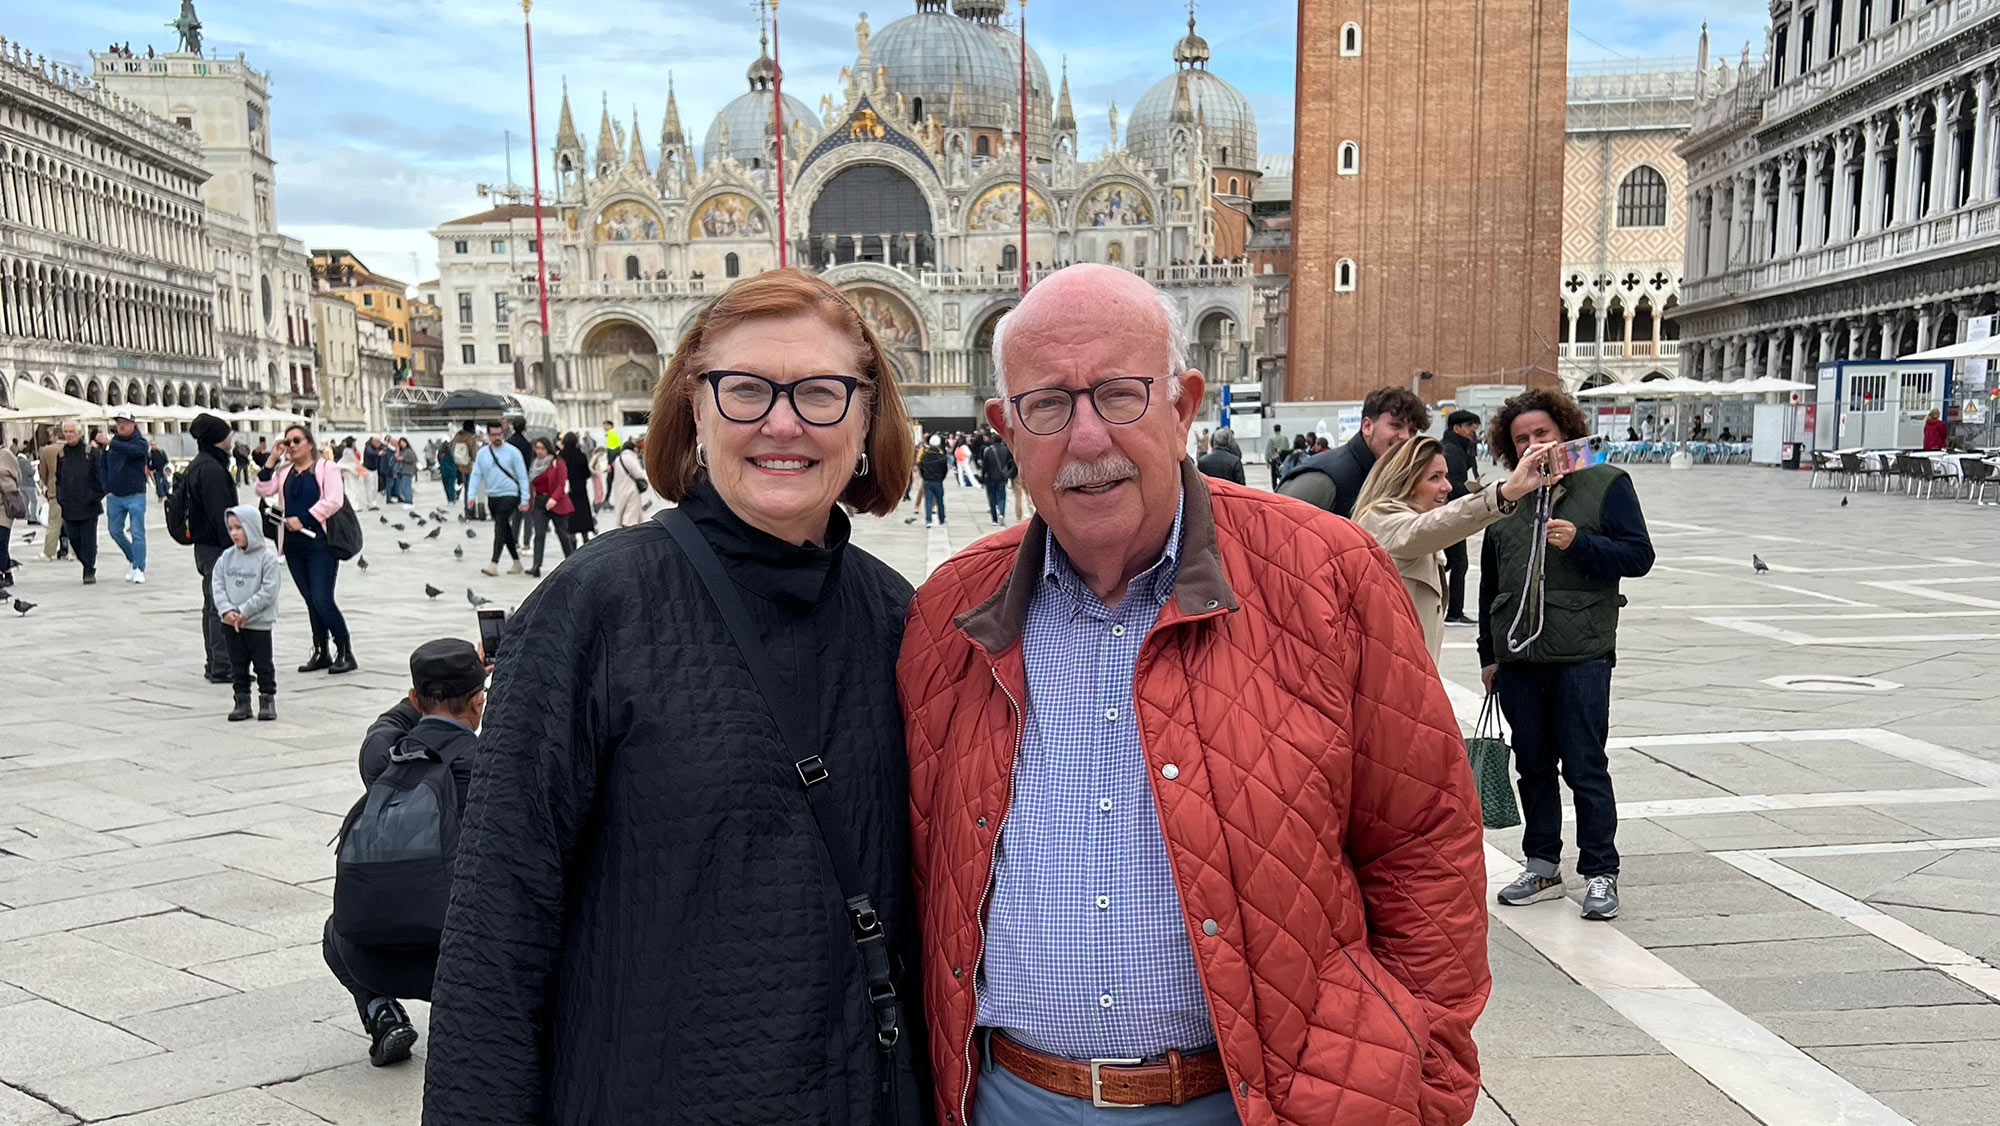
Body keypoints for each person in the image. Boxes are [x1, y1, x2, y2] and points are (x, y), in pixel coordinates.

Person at [899, 265, 1489, 1125]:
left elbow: (1425, 846)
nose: (1089, 438)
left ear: (1183, 404)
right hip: (1011, 1101)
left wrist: (1420, 1078)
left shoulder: (1328, 574)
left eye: (1120, 394)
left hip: (1259, 1102)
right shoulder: (949, 612)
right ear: (1005, 429)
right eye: (1049, 406)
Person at [424, 268, 926, 1126]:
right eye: (745, 390)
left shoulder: (899, 619)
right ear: (693, 406)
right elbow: (497, 927)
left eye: (819, 392)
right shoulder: (593, 607)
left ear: (867, 413)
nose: (782, 421)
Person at [1479, 389, 1655, 922]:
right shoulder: (1507, 497)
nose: (1534, 445)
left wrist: (1579, 542)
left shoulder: (1605, 482)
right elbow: (1490, 583)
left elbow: (1639, 556)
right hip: (1519, 655)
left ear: (1565, 433)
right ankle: (1542, 864)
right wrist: (1489, 655)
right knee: (1532, 766)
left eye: (1542, 434)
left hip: (1582, 651)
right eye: (1521, 439)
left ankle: (1601, 871)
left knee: (1585, 766)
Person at [326, 638, 486, 1068]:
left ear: (416, 698)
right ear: (479, 702)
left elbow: (385, 724)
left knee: (333, 931)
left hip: (372, 960)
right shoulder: (488, 765)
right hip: (467, 969)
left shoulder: (386, 757)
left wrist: (424, 694)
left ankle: (382, 1012)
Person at [1353, 435, 1557, 662]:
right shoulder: (1380, 520)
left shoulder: (1403, 520)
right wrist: (1503, 493)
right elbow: (1433, 526)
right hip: (1391, 680)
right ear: (1405, 482)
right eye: (1434, 478)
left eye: (1446, 476)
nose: (1447, 486)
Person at [256, 424, 357, 675]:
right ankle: (321, 650)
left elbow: (334, 500)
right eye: (287, 442)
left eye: (296, 441)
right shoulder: (284, 471)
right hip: (292, 544)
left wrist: (304, 519)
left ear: (309, 444)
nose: (291, 446)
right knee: (311, 600)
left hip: (320, 542)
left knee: (322, 598)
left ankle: (345, 651)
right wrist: (271, 458)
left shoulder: (326, 468)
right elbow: (263, 489)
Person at [1276, 387, 1429, 518]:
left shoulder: (1396, 477)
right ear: (1367, 426)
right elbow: (1276, 532)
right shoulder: (1323, 480)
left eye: (1412, 431)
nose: (1406, 437)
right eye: (1396, 425)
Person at [182, 413, 241, 684]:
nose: (231, 438)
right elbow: (221, 515)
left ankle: (215, 662)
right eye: (228, 433)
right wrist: (235, 546)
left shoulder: (201, 465)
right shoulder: (211, 470)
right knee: (220, 605)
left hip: (204, 546)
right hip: (216, 547)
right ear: (218, 438)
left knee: (212, 604)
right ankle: (222, 665)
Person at [211, 506, 282, 722]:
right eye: (231, 528)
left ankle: (266, 698)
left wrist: (244, 611)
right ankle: (241, 700)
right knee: (237, 664)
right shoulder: (226, 558)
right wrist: (227, 610)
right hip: (232, 624)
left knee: (263, 664)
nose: (234, 533)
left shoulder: (267, 559)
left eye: (239, 528)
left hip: (257, 624)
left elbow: (268, 591)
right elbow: (217, 584)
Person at [466, 421, 531, 576]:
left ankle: (494, 563)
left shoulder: (513, 452)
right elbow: (476, 475)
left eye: (499, 434)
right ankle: (516, 562)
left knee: (500, 525)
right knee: (505, 529)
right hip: (493, 496)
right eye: (494, 435)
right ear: (488, 435)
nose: (497, 437)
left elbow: (523, 477)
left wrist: (525, 499)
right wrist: (471, 495)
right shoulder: (483, 454)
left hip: (510, 494)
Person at [1441, 409, 1483, 626]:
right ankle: (1454, 613)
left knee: (1456, 562)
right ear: (1457, 428)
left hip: (1451, 512)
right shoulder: (1452, 452)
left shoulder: (1457, 448)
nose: (1472, 433)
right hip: (1450, 513)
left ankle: (1453, 610)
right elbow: (1452, 486)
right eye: (1469, 428)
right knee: (1458, 562)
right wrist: (1474, 493)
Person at [101, 409, 151, 584]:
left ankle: (139, 568)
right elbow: (103, 465)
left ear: (133, 425)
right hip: (115, 495)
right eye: (118, 423)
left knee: (137, 532)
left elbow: (134, 452)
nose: (121, 426)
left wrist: (111, 443)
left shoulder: (140, 443)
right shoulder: (112, 444)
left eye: (124, 423)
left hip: (135, 494)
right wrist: (106, 487)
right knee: (115, 531)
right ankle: (134, 559)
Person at [54, 421, 104, 584]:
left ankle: (89, 570)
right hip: (69, 506)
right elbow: (58, 479)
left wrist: (94, 496)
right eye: (66, 432)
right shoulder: (61, 455)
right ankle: (86, 562)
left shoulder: (91, 453)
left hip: (88, 506)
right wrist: (61, 498)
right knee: (74, 539)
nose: (68, 435)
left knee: (88, 540)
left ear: (80, 433)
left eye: (71, 432)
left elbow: (101, 479)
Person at [525, 437, 575, 577]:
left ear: (548, 449)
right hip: (540, 502)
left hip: (556, 501)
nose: (539, 451)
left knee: (562, 534)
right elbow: (531, 483)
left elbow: (561, 483)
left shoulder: (558, 463)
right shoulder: (535, 464)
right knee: (539, 533)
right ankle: (536, 565)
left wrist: (554, 498)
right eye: (537, 448)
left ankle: (572, 561)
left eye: (542, 448)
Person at [560, 432, 597, 543]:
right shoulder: (580, 456)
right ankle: (585, 537)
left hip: (567, 490)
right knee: (583, 515)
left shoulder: (561, 457)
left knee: (570, 517)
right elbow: (587, 473)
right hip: (580, 489)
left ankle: (572, 539)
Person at [38, 428, 67, 563]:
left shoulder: (47, 450)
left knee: (53, 523)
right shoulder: (71, 448)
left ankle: (48, 553)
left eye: (51, 435)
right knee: (74, 522)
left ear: (56, 435)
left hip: (54, 489)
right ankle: (74, 552)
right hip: (74, 491)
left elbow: (43, 472)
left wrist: (47, 484)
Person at [608, 435, 648, 528]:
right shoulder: (630, 458)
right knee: (631, 513)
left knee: (624, 510)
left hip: (620, 488)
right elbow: (638, 473)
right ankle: (629, 532)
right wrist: (646, 474)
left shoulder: (618, 459)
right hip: (631, 489)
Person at [977, 432, 1015, 525]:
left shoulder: (988, 451)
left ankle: (994, 519)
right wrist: (1009, 474)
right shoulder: (1005, 450)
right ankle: (1001, 513)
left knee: (992, 498)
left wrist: (982, 478)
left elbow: (985, 467)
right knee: (1002, 496)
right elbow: (1011, 463)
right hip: (1002, 477)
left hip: (990, 477)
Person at [917, 434, 949, 526]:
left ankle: (928, 520)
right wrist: (941, 478)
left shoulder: (925, 455)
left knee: (928, 501)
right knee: (940, 501)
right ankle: (942, 519)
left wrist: (924, 476)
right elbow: (944, 470)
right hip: (938, 481)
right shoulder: (941, 456)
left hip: (927, 481)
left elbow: (920, 466)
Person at [0, 440, 18, 588]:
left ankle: (1, 573)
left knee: (1, 538)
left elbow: (17, 476)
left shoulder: (6, 455)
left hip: (4, 505)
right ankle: (7, 571)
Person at [395, 437, 419, 505]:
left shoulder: (408, 451)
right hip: (403, 470)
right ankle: (408, 498)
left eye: (403, 443)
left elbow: (413, 459)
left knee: (406, 486)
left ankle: (408, 500)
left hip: (408, 470)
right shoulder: (403, 451)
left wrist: (403, 459)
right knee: (403, 487)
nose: (402, 444)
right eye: (400, 443)